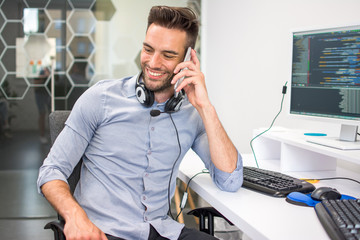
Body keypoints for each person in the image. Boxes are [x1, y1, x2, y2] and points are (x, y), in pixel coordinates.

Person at [37, 6, 243, 240]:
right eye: (148, 49)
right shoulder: (100, 98)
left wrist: (206, 107)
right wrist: (75, 217)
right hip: (102, 232)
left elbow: (230, 180)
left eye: (167, 55)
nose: (153, 63)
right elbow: (51, 171)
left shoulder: (191, 113)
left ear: (187, 59)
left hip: (162, 231)